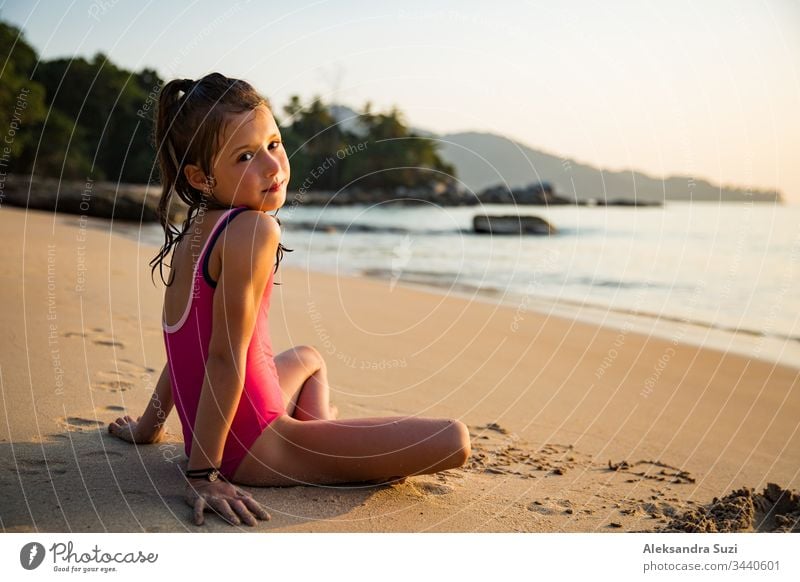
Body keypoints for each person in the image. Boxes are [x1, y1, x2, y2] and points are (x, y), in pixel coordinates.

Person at [108, 73, 471, 527]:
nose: (272, 167)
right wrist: (203, 474)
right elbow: (222, 358)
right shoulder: (253, 230)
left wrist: (148, 428)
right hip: (259, 448)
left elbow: (185, 350)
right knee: (454, 440)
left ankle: (321, 435)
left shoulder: (195, 232)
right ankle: (316, 448)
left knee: (309, 357)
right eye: (245, 156)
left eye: (273, 144)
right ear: (201, 177)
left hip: (229, 426)